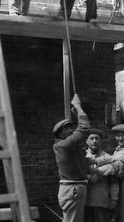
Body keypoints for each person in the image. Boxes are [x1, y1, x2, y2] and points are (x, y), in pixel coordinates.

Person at [53, 94, 90, 222]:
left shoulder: (70, 147)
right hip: (72, 189)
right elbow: (84, 128)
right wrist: (78, 107)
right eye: (66, 129)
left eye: (70, 127)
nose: (70, 131)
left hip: (74, 189)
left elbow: (84, 162)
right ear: (59, 134)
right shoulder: (63, 145)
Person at [94, 124, 124, 222]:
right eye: (117, 135)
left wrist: (95, 171)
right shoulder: (120, 149)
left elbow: (115, 166)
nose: (120, 138)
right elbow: (111, 159)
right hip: (119, 187)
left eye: (123, 135)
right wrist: (95, 161)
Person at [85, 128, 119, 222]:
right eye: (91, 138)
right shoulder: (82, 157)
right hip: (84, 202)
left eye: (97, 138)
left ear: (100, 141)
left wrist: (114, 199)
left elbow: (114, 182)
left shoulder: (108, 158)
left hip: (101, 202)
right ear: (87, 141)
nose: (94, 141)